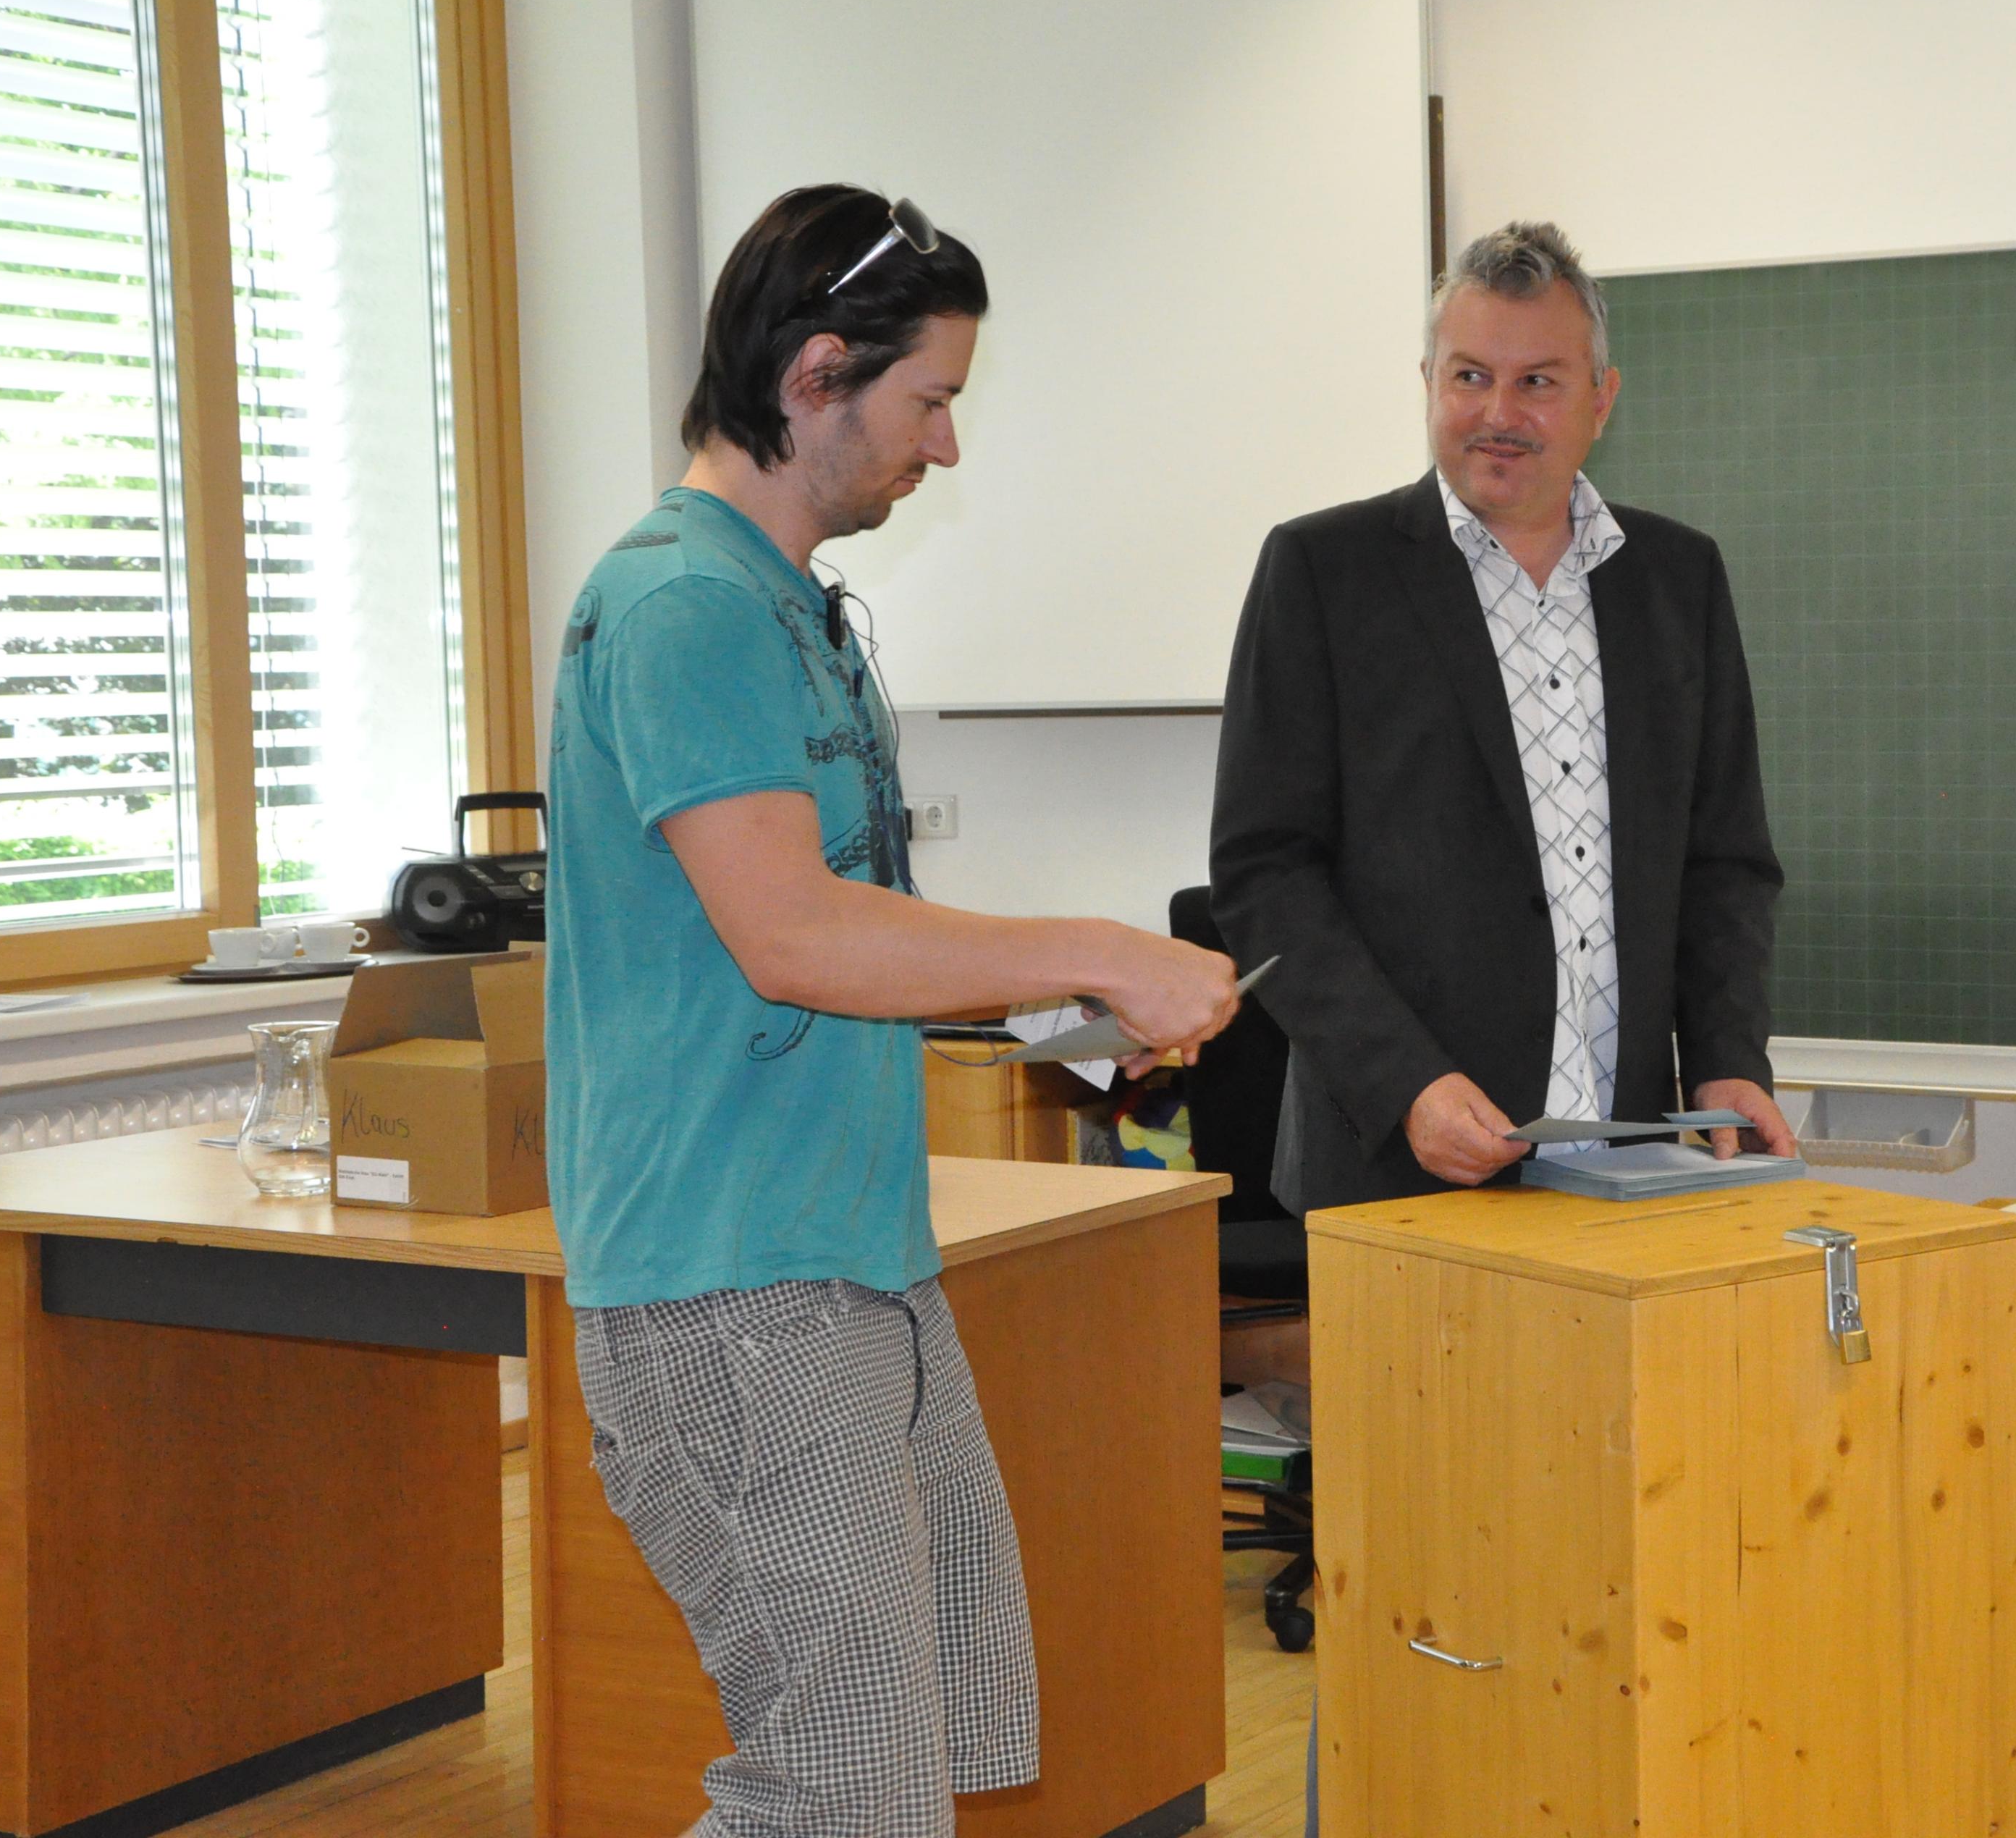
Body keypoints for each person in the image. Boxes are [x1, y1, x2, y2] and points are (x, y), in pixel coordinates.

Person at [544, 183, 1241, 1838]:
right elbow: (792, 937)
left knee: (920, 1756)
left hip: (849, 1255)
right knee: (841, 1795)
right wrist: (1095, 942)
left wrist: (1069, 993)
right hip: (730, 1281)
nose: (945, 445)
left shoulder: (796, 607)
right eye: (928, 399)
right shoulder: (685, 607)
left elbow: (856, 924)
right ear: (815, 374)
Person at [1211, 217, 1793, 1211]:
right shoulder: (1322, 571)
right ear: (1428, 382)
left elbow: (1723, 859)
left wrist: (1726, 1060)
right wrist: (1406, 1085)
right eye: (1470, 377)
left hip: (1633, 1155)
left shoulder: (1678, 579)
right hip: (1402, 1164)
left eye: (1538, 382)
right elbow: (1266, 872)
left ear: (1602, 398)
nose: (1498, 413)